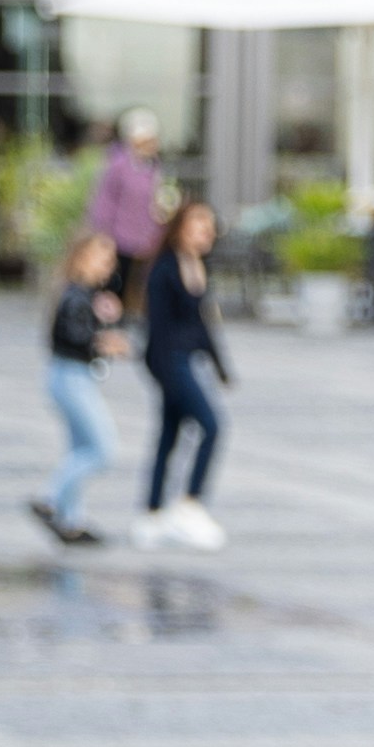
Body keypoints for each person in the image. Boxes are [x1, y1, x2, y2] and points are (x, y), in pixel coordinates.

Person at [137, 199, 233, 550]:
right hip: (169, 361)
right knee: (211, 424)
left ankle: (151, 512)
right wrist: (162, 372)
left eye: (209, 226)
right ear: (180, 228)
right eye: (198, 225)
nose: (205, 233)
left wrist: (221, 366)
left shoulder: (198, 266)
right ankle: (189, 503)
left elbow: (203, 324)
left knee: (169, 436)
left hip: (188, 359)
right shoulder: (164, 269)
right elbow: (158, 328)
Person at [35, 231, 125, 548]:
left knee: (78, 449)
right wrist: (103, 345)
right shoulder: (75, 295)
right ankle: (51, 500)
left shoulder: (82, 294)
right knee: (102, 450)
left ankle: (71, 521)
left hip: (72, 376)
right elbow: (72, 337)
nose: (109, 265)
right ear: (82, 258)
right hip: (71, 377)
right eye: (102, 257)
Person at [90, 113, 168, 276]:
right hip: (120, 241)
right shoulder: (117, 165)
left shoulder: (153, 166)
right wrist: (105, 234)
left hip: (146, 243)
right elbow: (104, 201)